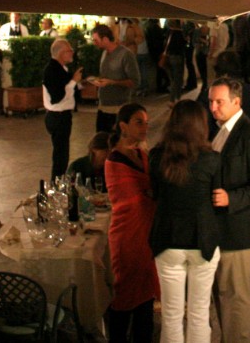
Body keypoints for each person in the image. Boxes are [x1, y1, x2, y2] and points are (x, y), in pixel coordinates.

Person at [148, 101, 222, 343]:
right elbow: (216, 198)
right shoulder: (212, 159)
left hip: (168, 238)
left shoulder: (157, 156)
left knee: (170, 315)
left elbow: (156, 194)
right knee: (199, 314)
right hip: (203, 239)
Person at [208, 78, 250, 343]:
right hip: (221, 226)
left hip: (239, 226)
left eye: (219, 102)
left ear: (237, 102)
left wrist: (231, 198)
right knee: (223, 292)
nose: (213, 107)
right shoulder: (221, 130)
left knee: (235, 293)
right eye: (210, 101)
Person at [105, 104, 157, 343]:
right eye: (139, 122)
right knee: (125, 296)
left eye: (146, 122)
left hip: (146, 234)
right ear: (123, 126)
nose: (145, 127)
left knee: (145, 296)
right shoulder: (113, 161)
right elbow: (133, 198)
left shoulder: (142, 154)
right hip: (127, 235)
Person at [42, 39, 82, 180]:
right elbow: (57, 97)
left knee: (63, 155)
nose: (72, 53)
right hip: (57, 116)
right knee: (60, 156)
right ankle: (56, 185)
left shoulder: (62, 68)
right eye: (69, 50)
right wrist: (73, 82)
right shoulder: (51, 70)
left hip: (62, 116)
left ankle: (59, 182)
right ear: (60, 53)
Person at [90, 24, 140, 133]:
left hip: (118, 108)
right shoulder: (104, 53)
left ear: (106, 39)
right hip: (103, 106)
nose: (94, 43)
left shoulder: (126, 55)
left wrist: (112, 82)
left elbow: (135, 81)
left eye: (96, 40)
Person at [164, 19, 188, 105]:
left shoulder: (169, 33)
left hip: (169, 57)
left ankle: (176, 98)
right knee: (177, 79)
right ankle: (173, 99)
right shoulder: (179, 33)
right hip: (178, 57)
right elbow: (182, 45)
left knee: (173, 79)